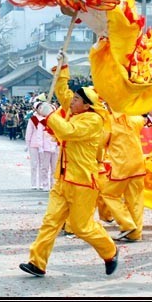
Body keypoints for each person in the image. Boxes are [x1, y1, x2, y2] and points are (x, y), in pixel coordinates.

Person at [18, 56, 118, 278]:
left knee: (82, 228)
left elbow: (67, 132)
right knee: (50, 222)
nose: (72, 101)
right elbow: (62, 92)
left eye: (77, 99)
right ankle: (37, 262)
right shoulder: (75, 112)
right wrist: (62, 68)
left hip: (83, 182)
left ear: (87, 105)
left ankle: (109, 251)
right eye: (74, 98)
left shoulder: (94, 121)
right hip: (63, 180)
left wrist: (49, 113)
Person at [99, 111, 147, 242]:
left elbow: (101, 142)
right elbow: (143, 120)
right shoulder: (135, 118)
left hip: (121, 166)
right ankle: (135, 234)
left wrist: (98, 158)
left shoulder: (108, 121)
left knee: (108, 194)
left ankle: (126, 224)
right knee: (135, 200)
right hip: (137, 165)